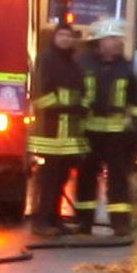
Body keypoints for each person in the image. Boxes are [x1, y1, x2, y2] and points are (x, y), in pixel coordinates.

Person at [75, 18, 137, 234]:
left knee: (118, 179)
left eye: (119, 38)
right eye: (114, 38)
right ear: (101, 41)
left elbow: (136, 100)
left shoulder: (126, 67)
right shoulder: (82, 63)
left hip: (117, 134)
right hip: (89, 131)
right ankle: (83, 222)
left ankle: (120, 223)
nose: (118, 42)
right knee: (86, 177)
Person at [26, 19, 89, 237]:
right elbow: (40, 95)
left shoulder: (73, 63)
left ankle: (54, 219)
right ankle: (41, 221)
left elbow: (80, 91)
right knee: (49, 178)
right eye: (62, 35)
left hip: (68, 133)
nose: (66, 39)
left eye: (69, 36)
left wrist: (80, 106)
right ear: (54, 37)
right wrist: (68, 104)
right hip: (50, 131)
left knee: (61, 177)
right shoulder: (46, 59)